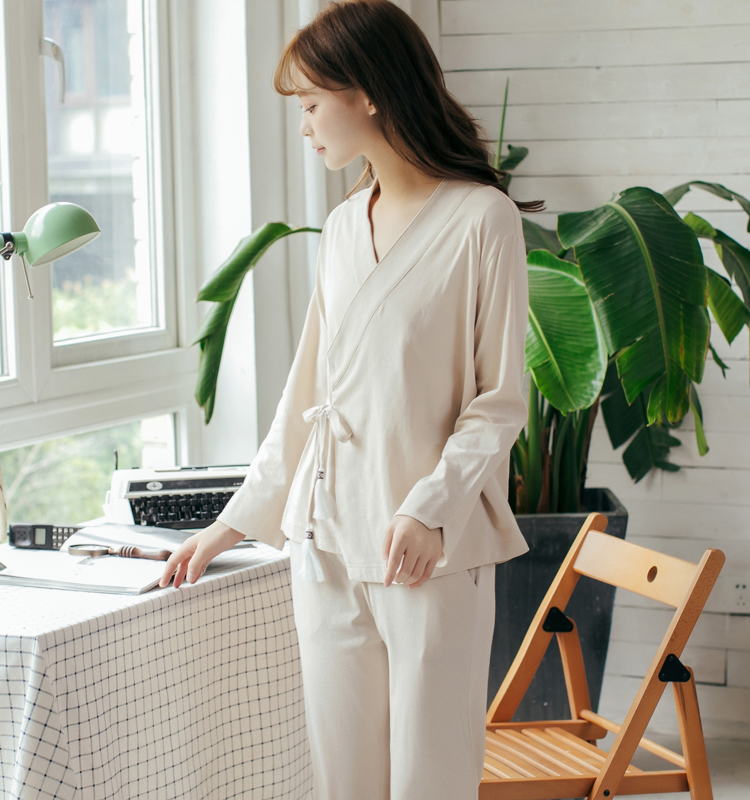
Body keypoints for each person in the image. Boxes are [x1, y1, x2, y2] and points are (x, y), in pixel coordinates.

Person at [160, 1, 545, 797]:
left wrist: (430, 507)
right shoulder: (341, 226)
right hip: (325, 542)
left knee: (428, 779)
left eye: (309, 104)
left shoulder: (483, 220)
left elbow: (499, 401)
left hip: (426, 553)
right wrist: (231, 522)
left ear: (366, 92)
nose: (304, 126)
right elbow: (308, 391)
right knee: (344, 780)